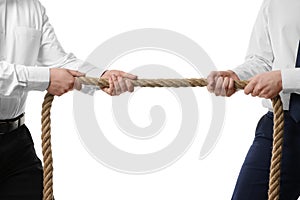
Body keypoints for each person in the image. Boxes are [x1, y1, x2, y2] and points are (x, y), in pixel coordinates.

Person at [0, 0, 137, 199]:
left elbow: (59, 61)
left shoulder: (32, 6)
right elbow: (51, 74)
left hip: (16, 143)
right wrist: (46, 79)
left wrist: (102, 77)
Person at [207, 0, 300, 199]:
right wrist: (237, 76)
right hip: (282, 125)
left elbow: (280, 75)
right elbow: (263, 60)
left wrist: (286, 78)